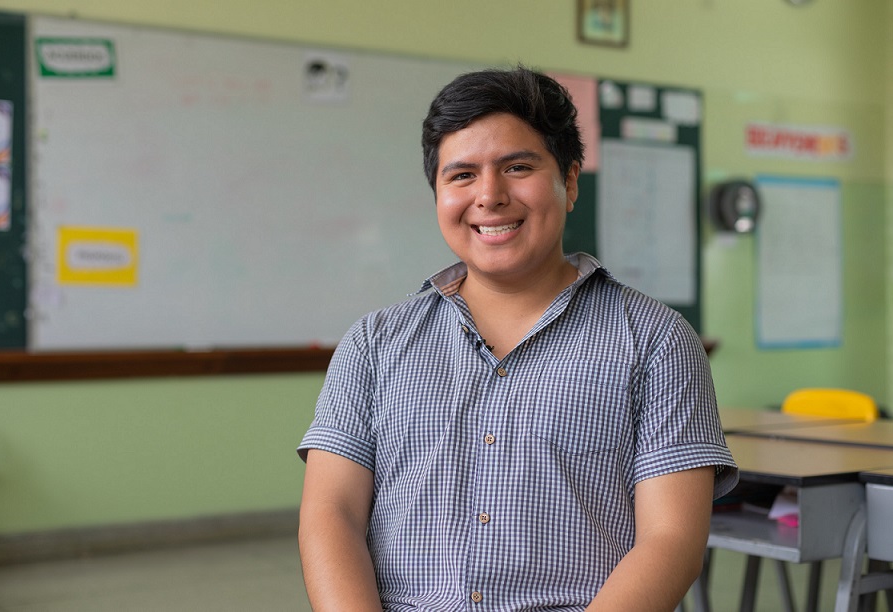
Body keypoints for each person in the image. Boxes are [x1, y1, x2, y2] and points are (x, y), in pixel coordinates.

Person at [298, 65, 738, 611]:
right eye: (461, 175)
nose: (490, 195)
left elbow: (671, 542)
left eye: (518, 167)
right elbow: (330, 516)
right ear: (437, 193)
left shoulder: (656, 341)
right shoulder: (375, 342)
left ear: (570, 181)